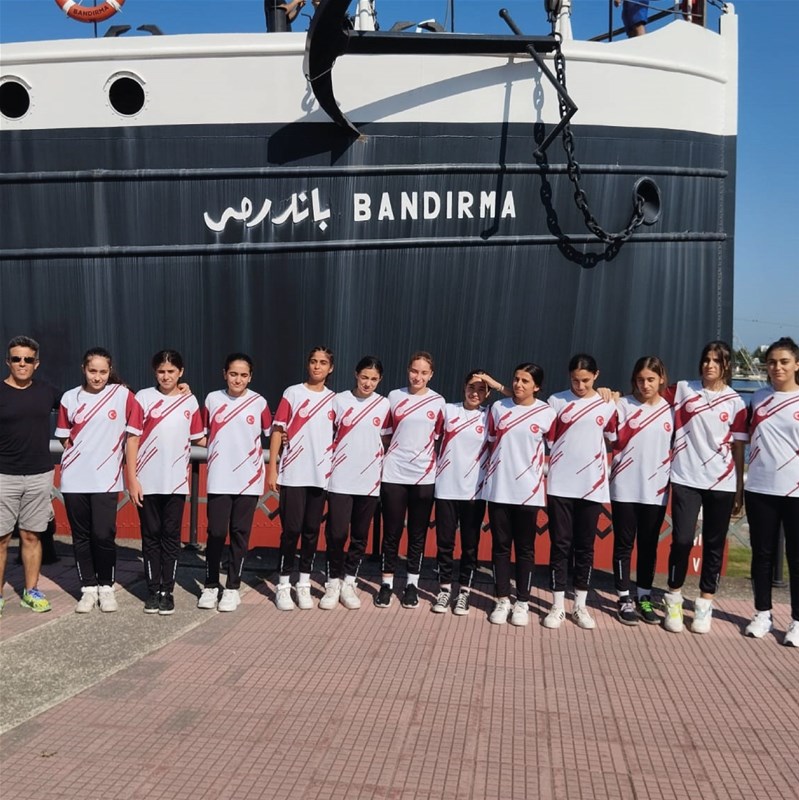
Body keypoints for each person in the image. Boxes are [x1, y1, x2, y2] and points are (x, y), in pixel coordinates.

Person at [661, 340, 747, 634]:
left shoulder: (736, 402)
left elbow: (738, 448)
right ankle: (673, 597)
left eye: (716, 360)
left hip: (721, 481)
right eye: (706, 359)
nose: (709, 365)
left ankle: (704, 603)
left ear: (726, 366)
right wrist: (610, 395)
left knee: (714, 544)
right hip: (685, 477)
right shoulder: (683, 390)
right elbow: (648, 394)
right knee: (682, 540)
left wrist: (738, 489)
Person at [55, 347, 142, 613]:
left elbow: (138, 425)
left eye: (103, 372)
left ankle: (106, 587)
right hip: (74, 479)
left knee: (103, 534)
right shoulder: (70, 397)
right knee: (81, 536)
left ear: (110, 371)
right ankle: (88, 589)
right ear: (83, 369)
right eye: (92, 371)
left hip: (106, 479)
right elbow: (64, 436)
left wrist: (183, 389)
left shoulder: (122, 395)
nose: (97, 377)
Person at [126, 350, 205, 615]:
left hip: (176, 483)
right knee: (150, 537)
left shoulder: (189, 401)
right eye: (161, 371)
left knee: (171, 537)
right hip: (146, 482)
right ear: (154, 372)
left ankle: (166, 591)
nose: (166, 376)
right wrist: (132, 479)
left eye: (171, 371)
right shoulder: (143, 398)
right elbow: (132, 439)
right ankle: (152, 591)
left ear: (181, 372)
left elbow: (200, 438)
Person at [543, 354, 617, 630]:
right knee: (560, 545)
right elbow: (547, 439)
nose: (580, 385)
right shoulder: (556, 401)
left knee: (585, 547)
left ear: (596, 375)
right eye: (575, 380)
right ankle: (557, 606)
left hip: (592, 485)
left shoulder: (607, 404)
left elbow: (613, 438)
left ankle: (580, 606)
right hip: (560, 484)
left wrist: (615, 396)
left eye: (586, 380)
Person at [482, 363, 555, 626]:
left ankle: (522, 602)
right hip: (499, 489)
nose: (518, 384)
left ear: (537, 386)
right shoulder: (498, 408)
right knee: (500, 547)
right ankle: (502, 599)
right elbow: (491, 441)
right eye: (516, 379)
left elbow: (555, 446)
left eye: (525, 381)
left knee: (525, 549)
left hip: (528, 492)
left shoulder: (547, 412)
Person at [199, 353, 272, 612]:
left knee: (240, 533)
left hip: (248, 479)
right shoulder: (212, 399)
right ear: (224, 374)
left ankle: (232, 587)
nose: (237, 379)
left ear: (250, 377)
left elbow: (272, 434)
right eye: (233, 374)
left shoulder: (259, 402)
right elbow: (200, 435)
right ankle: (210, 585)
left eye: (243, 375)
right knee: (217, 532)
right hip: (219, 477)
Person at [320, 356, 390, 610]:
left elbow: (386, 440)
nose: (368, 383)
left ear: (379, 380)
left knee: (359, 535)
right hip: (340, 478)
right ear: (355, 375)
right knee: (337, 533)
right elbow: (324, 434)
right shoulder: (338, 400)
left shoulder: (384, 405)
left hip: (369, 481)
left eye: (373, 379)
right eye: (364, 377)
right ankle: (332, 582)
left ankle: (349, 581)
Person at [268, 347, 335, 611]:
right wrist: (272, 468)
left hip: (320, 476)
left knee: (311, 532)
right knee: (291, 531)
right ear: (308, 364)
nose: (317, 366)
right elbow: (278, 430)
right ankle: (283, 585)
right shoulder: (292, 393)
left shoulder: (335, 400)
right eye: (313, 361)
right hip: (293, 473)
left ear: (330, 368)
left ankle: (304, 583)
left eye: (323, 363)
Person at [377, 351, 445, 609]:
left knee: (417, 533)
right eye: (414, 371)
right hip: (394, 473)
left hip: (424, 476)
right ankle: (386, 584)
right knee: (392, 531)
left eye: (424, 372)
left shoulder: (438, 402)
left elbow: (438, 437)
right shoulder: (394, 396)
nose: (418, 376)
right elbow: (386, 434)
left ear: (431, 375)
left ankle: (411, 585)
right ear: (408, 370)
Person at [609, 356, 673, 626]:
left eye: (651, 379)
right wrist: (605, 394)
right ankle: (624, 597)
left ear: (661, 379)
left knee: (648, 546)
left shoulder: (671, 410)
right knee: (624, 544)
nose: (645, 385)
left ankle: (644, 596)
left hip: (656, 490)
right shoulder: (621, 405)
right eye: (640, 380)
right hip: (624, 486)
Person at [743, 337, 799, 646]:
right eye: (772, 362)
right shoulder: (757, 399)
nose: (777, 367)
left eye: (784, 362)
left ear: (796, 365)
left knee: (796, 557)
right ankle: (762, 613)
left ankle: (797, 620)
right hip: (760, 488)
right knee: (761, 555)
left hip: (796, 492)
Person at [0, 336, 60, 615]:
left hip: (39, 475)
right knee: (1, 539)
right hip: (3, 476)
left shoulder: (48, 392)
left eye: (27, 359)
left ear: (37, 363)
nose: (22, 364)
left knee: (31, 536)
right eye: (16, 359)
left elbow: (86, 400)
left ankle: (31, 591)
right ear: (8, 362)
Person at [431, 370, 490, 616]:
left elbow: (516, 399)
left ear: (488, 393)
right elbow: (433, 440)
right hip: (446, 487)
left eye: (481, 389)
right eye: (471, 388)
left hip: (475, 491)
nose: (475, 393)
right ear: (463, 388)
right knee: (445, 542)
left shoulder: (491, 415)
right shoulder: (448, 410)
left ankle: (464, 591)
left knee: (470, 544)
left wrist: (496, 384)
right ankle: (444, 589)